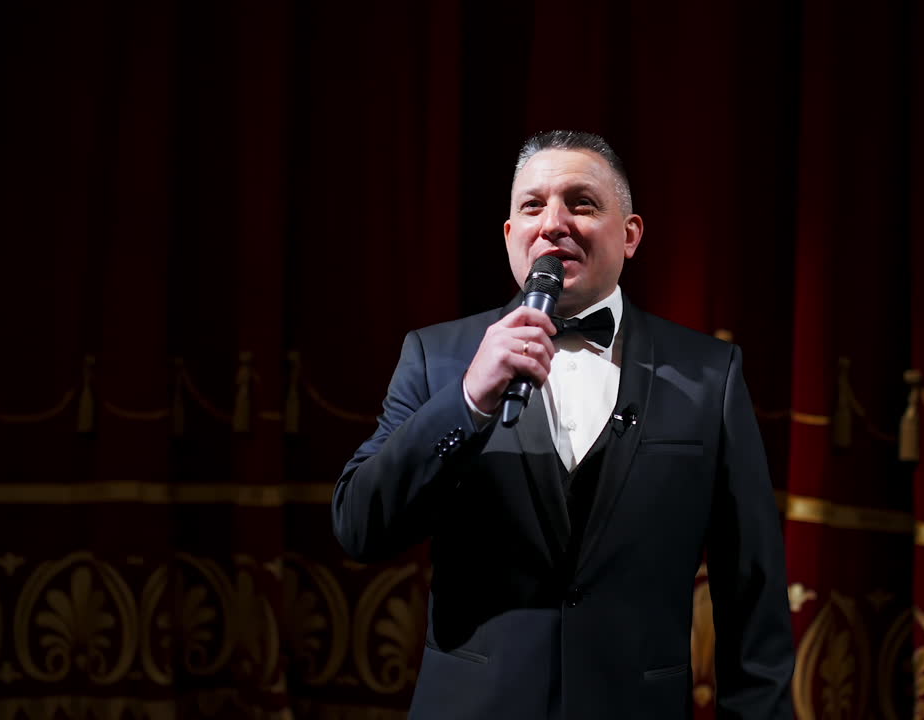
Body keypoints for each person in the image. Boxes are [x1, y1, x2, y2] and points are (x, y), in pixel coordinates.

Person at [332, 130, 794, 719]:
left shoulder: (710, 375)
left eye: (582, 203)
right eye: (533, 206)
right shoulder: (436, 357)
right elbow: (360, 526)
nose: (553, 223)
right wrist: (469, 400)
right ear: (510, 235)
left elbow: (752, 594)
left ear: (630, 235)